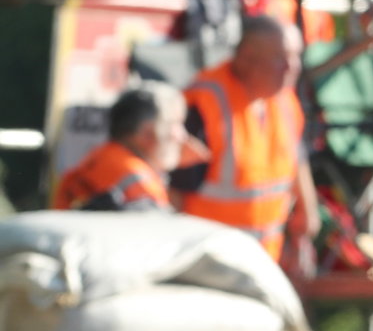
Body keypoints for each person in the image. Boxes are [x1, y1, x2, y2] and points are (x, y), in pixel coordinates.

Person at [169, 14, 319, 269]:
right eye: (281, 57)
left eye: (296, 56)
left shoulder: (284, 101)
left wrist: (307, 216)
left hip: (264, 261)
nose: (292, 66)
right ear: (248, 56)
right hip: (209, 263)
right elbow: (174, 196)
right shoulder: (204, 104)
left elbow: (296, 157)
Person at [51, 82, 192, 212]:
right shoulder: (139, 185)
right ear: (147, 133)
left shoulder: (101, 159)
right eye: (176, 123)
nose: (183, 137)